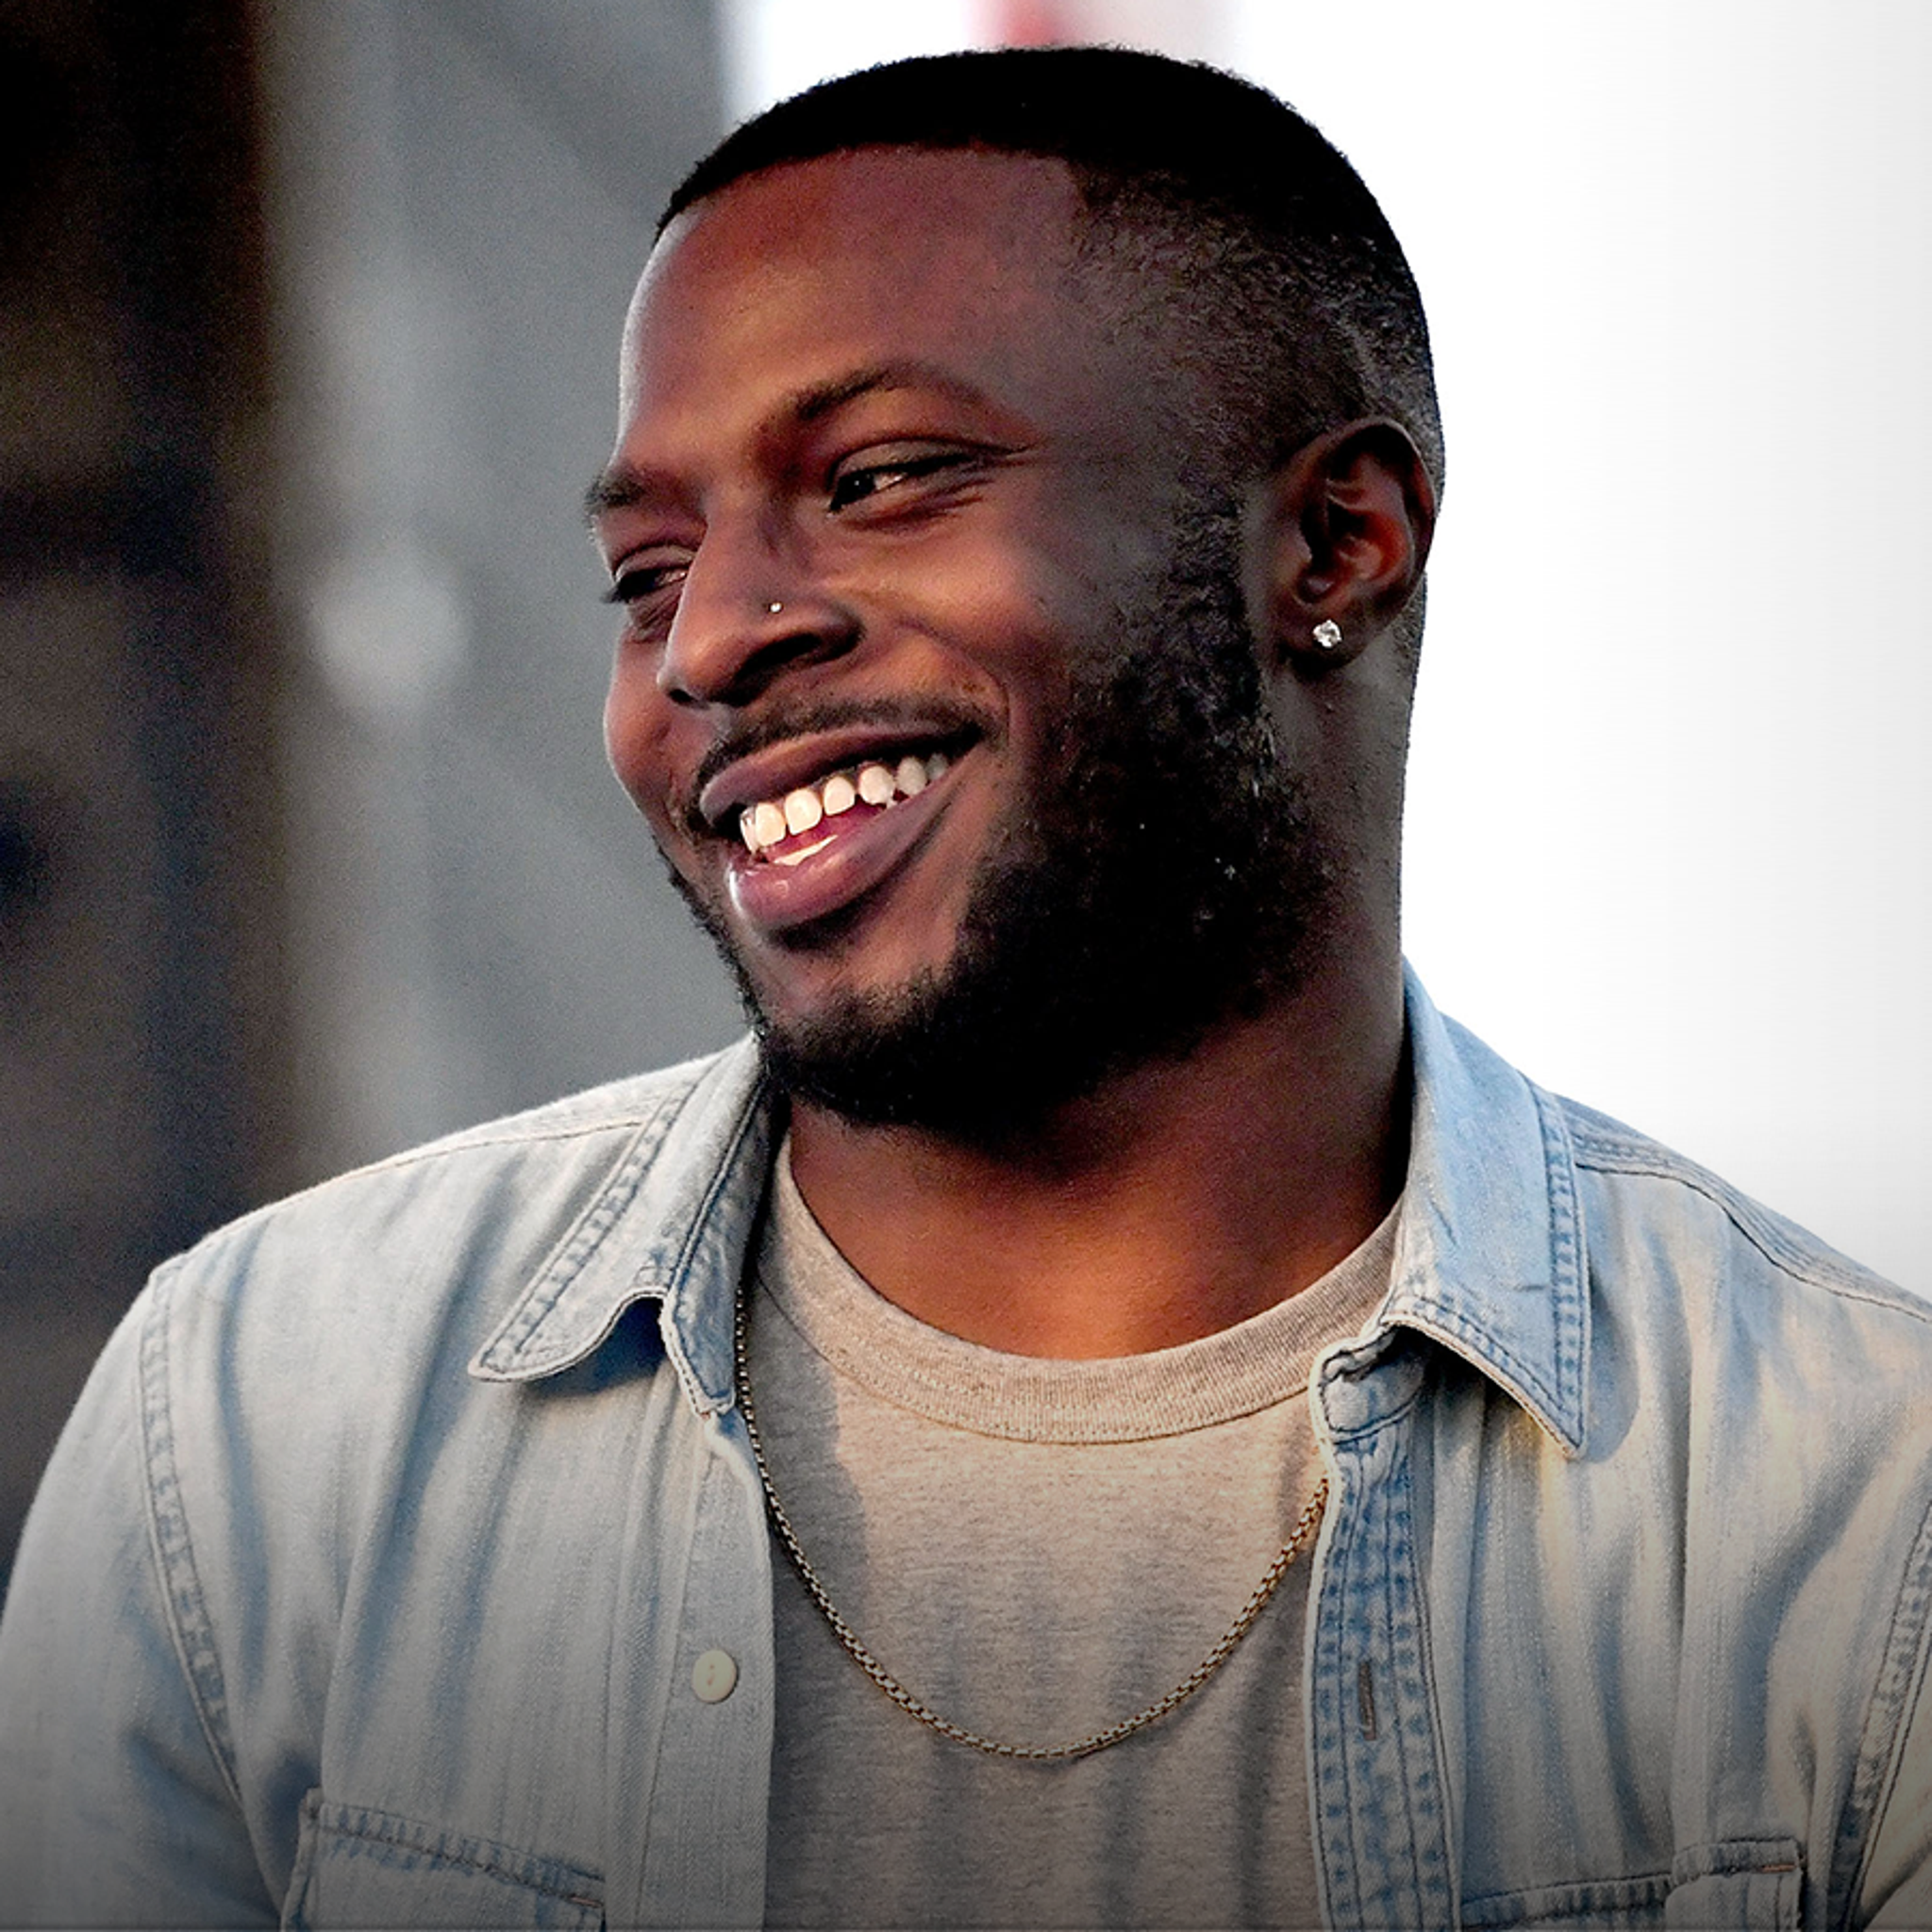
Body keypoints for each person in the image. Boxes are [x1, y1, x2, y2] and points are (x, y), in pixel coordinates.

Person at [2, 44, 1929, 1931]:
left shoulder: (1845, 1515)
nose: (713, 640)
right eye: (643, 569)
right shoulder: (264, 1425)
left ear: (1331, 542)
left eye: (884, 475)